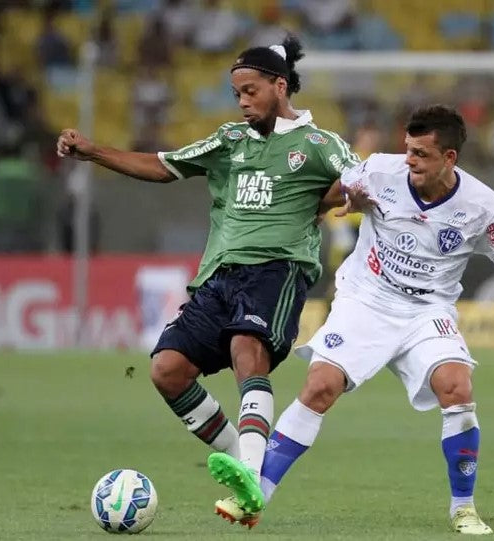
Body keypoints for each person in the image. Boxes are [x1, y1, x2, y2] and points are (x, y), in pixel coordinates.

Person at [215, 105, 494, 533]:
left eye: (421, 154)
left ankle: (463, 508)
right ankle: (255, 496)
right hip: (366, 300)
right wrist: (344, 199)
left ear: (450, 158)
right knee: (320, 386)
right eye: (408, 150)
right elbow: (321, 197)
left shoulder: (483, 206)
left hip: (427, 312)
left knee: (458, 387)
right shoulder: (377, 171)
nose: (410, 160)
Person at [55, 35, 358, 519]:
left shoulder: (320, 145)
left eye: (251, 90)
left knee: (246, 351)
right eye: (236, 92)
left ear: (280, 86)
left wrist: (321, 201)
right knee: (167, 370)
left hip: (276, 271)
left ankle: (253, 484)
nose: (241, 101)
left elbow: (361, 185)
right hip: (217, 275)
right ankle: (246, 461)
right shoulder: (229, 140)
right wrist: (93, 152)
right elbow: (163, 165)